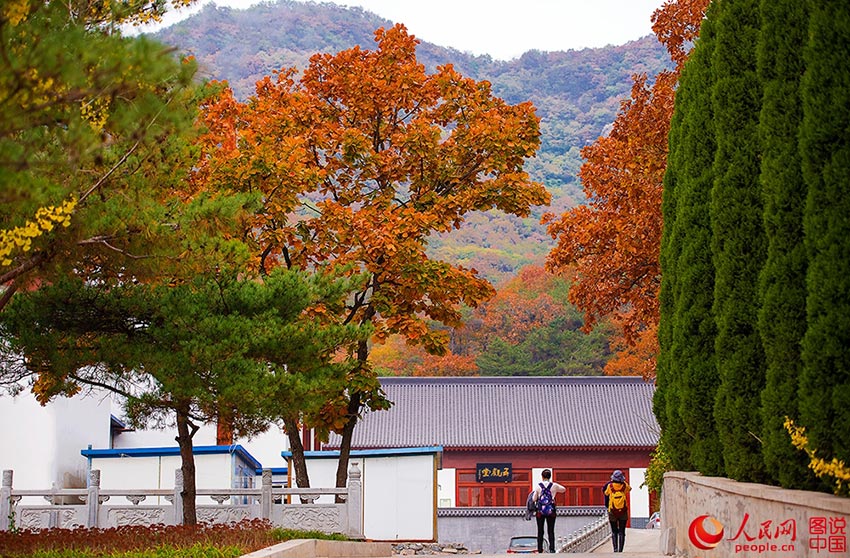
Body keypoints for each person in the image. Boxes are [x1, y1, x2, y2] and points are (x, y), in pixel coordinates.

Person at [533, 469, 566, 553]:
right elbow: (563, 489)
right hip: (551, 510)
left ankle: (540, 549)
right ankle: (552, 549)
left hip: (540, 511)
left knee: (540, 530)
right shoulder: (554, 485)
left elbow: (534, 499)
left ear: (542, 477)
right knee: (551, 530)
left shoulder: (538, 486)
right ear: (550, 476)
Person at [602, 469, 631, 553]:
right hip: (623, 511)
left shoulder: (610, 486)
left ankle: (615, 549)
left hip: (612, 511)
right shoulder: (624, 485)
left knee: (614, 531)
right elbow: (629, 489)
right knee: (622, 531)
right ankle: (620, 550)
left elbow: (606, 493)